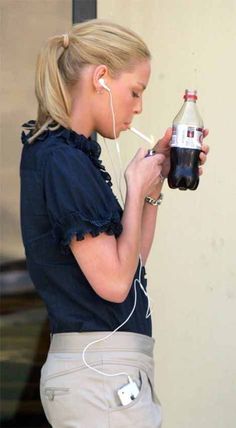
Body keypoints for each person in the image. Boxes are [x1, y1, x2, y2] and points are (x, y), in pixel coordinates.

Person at [20, 19, 209, 428]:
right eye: (136, 92)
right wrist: (134, 186)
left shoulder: (74, 159)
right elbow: (114, 283)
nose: (139, 107)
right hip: (98, 377)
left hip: (107, 375)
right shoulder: (61, 160)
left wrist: (152, 183)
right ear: (101, 79)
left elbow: (131, 261)